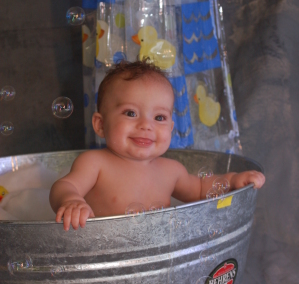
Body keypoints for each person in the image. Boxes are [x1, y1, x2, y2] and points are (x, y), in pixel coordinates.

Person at [50, 60, 265, 231]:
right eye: (131, 113)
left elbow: (202, 189)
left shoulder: (171, 170)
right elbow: (64, 186)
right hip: (104, 251)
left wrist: (234, 180)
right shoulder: (95, 163)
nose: (146, 125)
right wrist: (71, 200)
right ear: (100, 124)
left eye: (159, 117)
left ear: (171, 128)